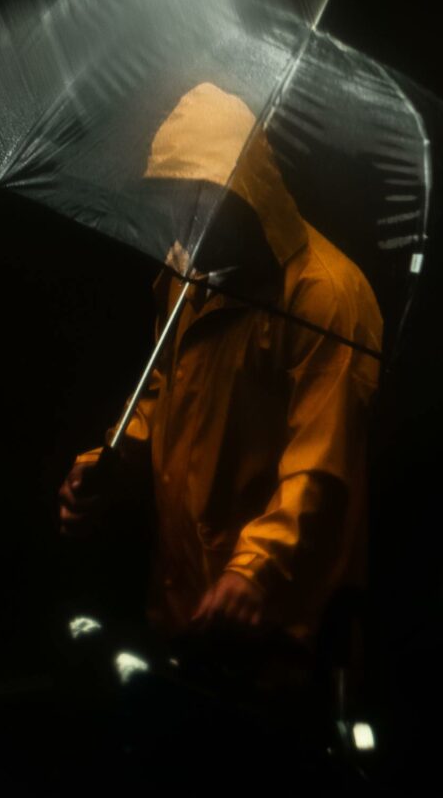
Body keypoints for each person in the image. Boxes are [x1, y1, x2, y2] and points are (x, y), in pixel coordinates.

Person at [58, 82, 383, 705]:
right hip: (190, 607)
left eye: (209, 200)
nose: (189, 221)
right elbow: (167, 397)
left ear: (252, 191)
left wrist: (255, 570)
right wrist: (105, 463)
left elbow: (322, 464)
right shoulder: (189, 274)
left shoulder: (324, 297)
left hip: (284, 625)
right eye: (177, 200)